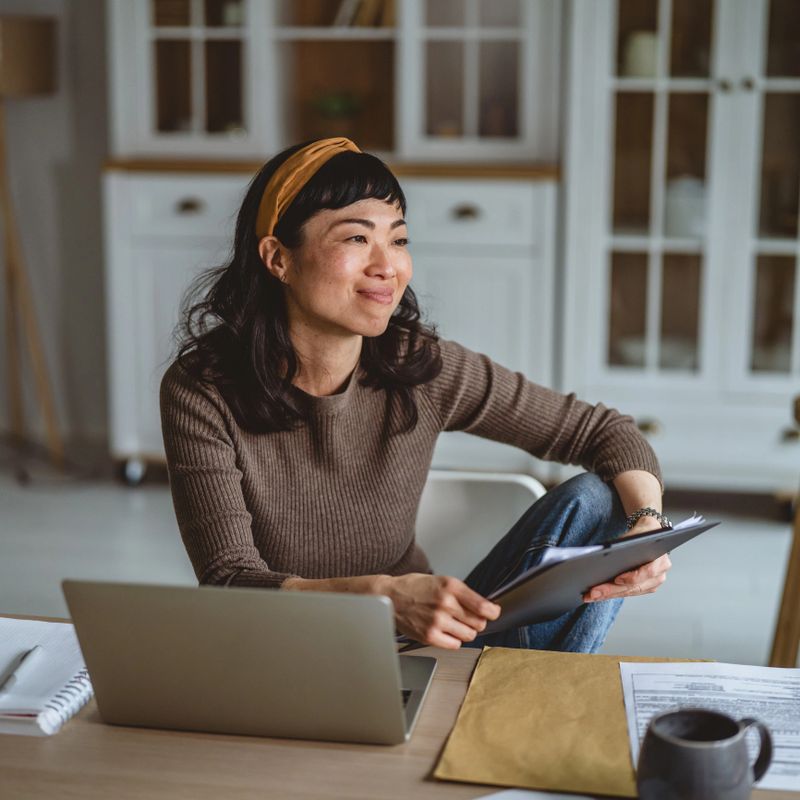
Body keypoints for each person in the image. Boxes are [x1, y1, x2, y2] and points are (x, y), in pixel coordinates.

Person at [160, 137, 671, 653]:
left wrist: (647, 528)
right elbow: (229, 581)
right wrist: (380, 597)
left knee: (597, 501)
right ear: (277, 258)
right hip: (289, 652)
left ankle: (530, 696)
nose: (388, 266)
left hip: (421, 647)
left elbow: (606, 433)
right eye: (357, 239)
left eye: (399, 240)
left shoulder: (417, 365)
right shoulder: (202, 389)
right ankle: (515, 704)